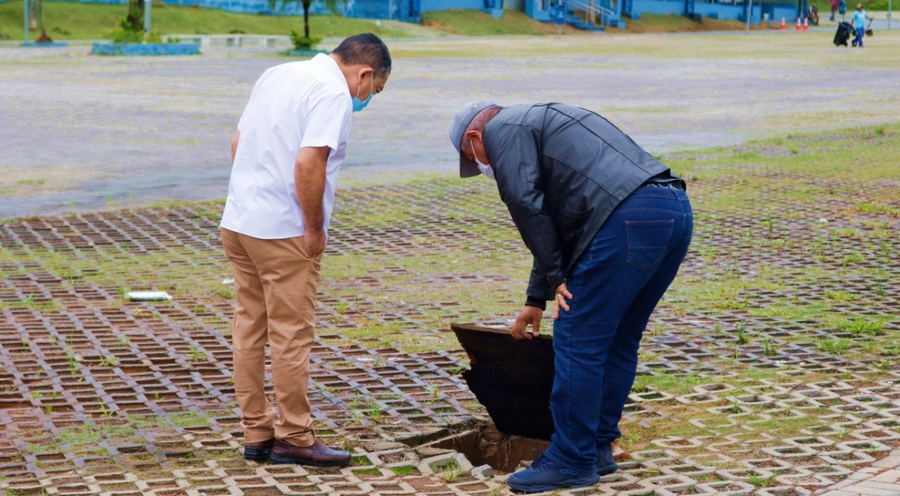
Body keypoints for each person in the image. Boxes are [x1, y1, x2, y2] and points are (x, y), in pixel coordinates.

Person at [448, 102, 693, 493]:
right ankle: (596, 446)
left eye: (472, 159)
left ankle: (571, 459)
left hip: (625, 217)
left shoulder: (503, 130)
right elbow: (554, 220)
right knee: (616, 338)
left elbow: (526, 204)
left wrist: (558, 277)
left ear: (476, 137)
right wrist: (536, 298)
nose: (481, 168)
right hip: (671, 209)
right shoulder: (543, 120)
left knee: (577, 337)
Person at [220, 33, 391, 466]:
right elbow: (308, 162)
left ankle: (256, 431)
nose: (368, 98)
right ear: (365, 73)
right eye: (374, 90)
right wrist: (313, 229)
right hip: (282, 232)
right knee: (291, 335)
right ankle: (294, 435)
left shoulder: (277, 73)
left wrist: (251, 195)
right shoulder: (333, 92)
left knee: (249, 328)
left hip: (240, 223)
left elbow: (238, 143)